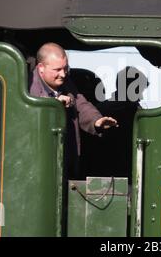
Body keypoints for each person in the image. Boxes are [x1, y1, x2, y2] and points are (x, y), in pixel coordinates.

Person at [29, 42, 118, 179]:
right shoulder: (28, 86)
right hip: (39, 166)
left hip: (65, 161)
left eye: (65, 68)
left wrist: (96, 120)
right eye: (57, 69)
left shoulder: (66, 82)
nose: (63, 74)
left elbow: (80, 104)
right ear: (41, 68)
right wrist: (53, 105)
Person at [94, 67, 149, 180]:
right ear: (130, 88)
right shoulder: (132, 112)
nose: (141, 97)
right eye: (139, 91)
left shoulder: (99, 109)